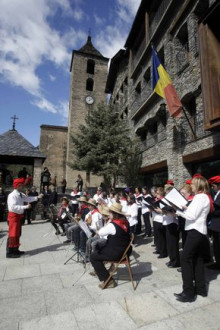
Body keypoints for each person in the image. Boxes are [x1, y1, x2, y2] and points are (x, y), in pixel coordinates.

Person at [174, 176, 212, 302]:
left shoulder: (200, 197)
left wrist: (178, 212)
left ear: (199, 186)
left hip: (195, 231)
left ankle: (188, 292)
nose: (192, 187)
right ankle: (201, 289)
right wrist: (185, 208)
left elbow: (191, 215)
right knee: (198, 259)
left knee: (185, 259)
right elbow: (195, 212)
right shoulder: (203, 197)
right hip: (199, 231)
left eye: (193, 185)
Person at [90, 202, 132, 289]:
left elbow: (100, 232)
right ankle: (100, 269)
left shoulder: (113, 225)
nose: (109, 214)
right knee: (99, 248)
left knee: (93, 256)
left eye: (110, 213)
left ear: (114, 214)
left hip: (118, 253)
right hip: (126, 251)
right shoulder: (125, 221)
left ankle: (108, 280)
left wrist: (102, 227)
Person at [6, 178, 43, 258]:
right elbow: (13, 207)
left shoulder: (21, 194)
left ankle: (16, 249)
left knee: (18, 234)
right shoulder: (12, 195)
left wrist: (37, 197)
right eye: (22, 185)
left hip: (18, 217)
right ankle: (9, 252)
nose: (23, 187)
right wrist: (26, 206)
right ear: (18, 186)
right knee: (12, 235)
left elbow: (27, 198)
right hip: (13, 217)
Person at [207, 176, 220, 270]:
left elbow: (218, 210)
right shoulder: (216, 193)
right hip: (215, 224)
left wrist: (211, 210)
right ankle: (218, 262)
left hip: (218, 223)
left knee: (218, 245)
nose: (212, 187)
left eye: (214, 185)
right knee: (216, 245)